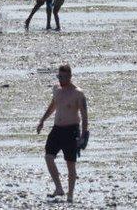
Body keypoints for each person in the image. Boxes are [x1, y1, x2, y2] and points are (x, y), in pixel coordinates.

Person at [36, 64, 88, 204]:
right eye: (59, 76)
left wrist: (83, 135)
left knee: (70, 164)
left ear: (70, 77)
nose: (60, 79)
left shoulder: (78, 93)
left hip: (71, 131)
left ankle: (70, 195)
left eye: (63, 77)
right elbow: (53, 105)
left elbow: (84, 116)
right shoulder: (56, 89)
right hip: (57, 129)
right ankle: (59, 188)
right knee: (48, 157)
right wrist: (42, 120)